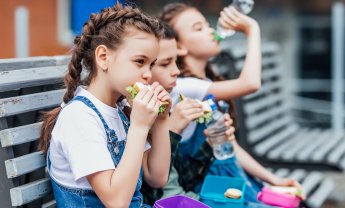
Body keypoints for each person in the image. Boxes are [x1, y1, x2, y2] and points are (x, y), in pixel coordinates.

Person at [158, 3, 305, 205]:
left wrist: (272, 179)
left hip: (226, 178)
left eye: (207, 25)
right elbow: (251, 83)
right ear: (179, 46)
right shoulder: (183, 88)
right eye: (198, 28)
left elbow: (230, 145)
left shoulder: (205, 84)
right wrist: (252, 30)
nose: (211, 30)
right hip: (209, 187)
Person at [39, 4, 171, 207]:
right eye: (139, 61)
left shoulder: (120, 110)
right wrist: (139, 126)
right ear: (103, 57)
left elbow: (157, 177)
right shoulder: (79, 117)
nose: (148, 74)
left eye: (151, 64)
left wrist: (162, 120)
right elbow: (116, 202)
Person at [141, 22, 236, 205]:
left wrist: (208, 145)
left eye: (175, 61)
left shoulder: (161, 108)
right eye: (165, 63)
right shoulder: (141, 117)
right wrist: (172, 130)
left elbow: (181, 181)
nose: (176, 71)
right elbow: (158, 191)